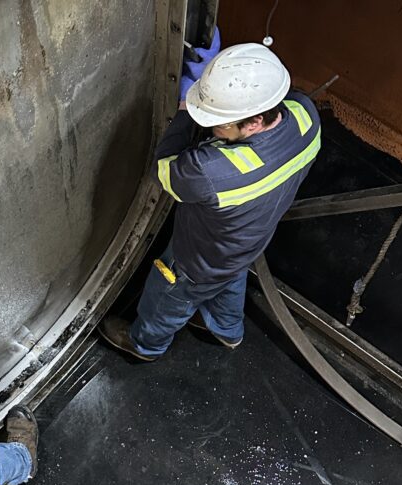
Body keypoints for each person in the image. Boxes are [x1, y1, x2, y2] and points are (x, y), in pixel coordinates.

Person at [99, 38, 321, 360]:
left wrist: (186, 111)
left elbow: (164, 171)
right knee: (232, 276)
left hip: (198, 259)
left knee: (169, 296)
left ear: (255, 122)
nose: (212, 126)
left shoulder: (211, 171)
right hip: (249, 242)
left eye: (218, 122)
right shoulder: (306, 115)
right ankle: (226, 331)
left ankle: (145, 345)